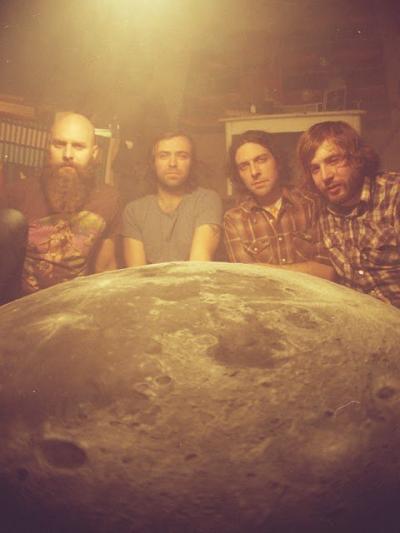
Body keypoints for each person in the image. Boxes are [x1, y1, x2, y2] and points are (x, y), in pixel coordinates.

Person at [3, 112, 121, 296]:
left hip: (71, 303)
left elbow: (105, 269)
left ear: (94, 153)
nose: (67, 154)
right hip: (19, 302)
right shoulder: (17, 193)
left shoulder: (108, 199)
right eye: (59, 144)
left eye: (78, 146)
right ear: (48, 148)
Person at [297, 120, 400, 307]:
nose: (325, 176)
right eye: (315, 169)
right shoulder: (320, 212)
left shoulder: (394, 194)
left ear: (357, 159)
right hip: (359, 317)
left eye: (333, 161)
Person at [223, 129, 335, 280]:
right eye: (244, 166)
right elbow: (247, 280)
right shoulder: (234, 220)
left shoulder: (311, 204)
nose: (254, 172)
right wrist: (303, 270)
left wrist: (269, 270)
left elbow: (328, 272)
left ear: (278, 161)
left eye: (261, 160)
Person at [122, 131, 222, 265]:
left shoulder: (206, 200)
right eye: (163, 156)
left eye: (182, 156)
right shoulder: (134, 211)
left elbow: (199, 264)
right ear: (153, 163)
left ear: (192, 163)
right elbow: (137, 272)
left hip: (195, 278)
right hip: (148, 280)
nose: (173, 163)